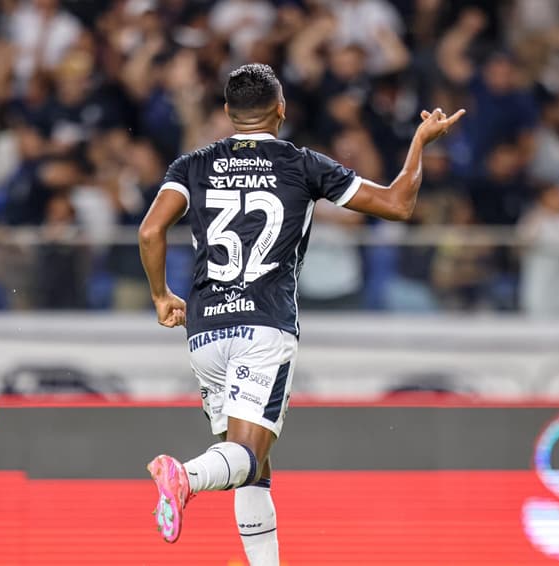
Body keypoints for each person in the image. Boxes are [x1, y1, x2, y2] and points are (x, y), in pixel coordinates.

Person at [138, 63, 463, 564]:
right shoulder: (302, 164)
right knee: (244, 457)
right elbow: (398, 205)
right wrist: (420, 141)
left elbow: (149, 232)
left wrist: (161, 296)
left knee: (253, 466)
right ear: (282, 110)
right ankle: (185, 476)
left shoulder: (192, 165)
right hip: (264, 326)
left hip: (204, 333)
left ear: (227, 113)